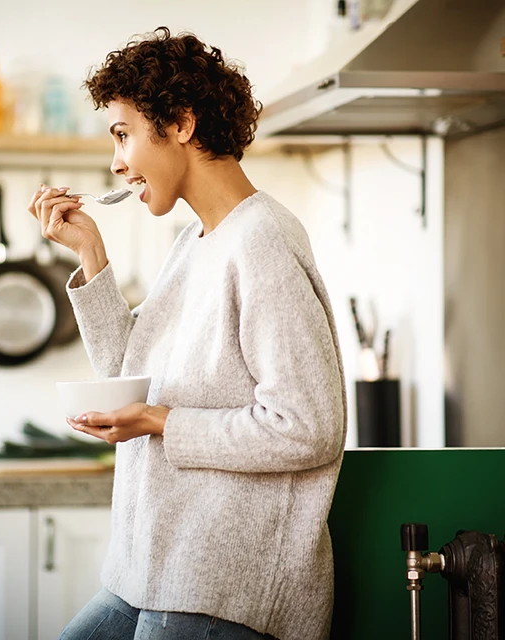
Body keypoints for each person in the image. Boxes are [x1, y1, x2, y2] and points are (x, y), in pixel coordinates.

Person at [29, 26, 347, 640]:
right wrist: (91, 252)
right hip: (150, 568)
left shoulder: (262, 242)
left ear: (179, 124)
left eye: (123, 135)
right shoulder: (195, 242)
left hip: (224, 587)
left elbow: (308, 427)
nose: (116, 163)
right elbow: (131, 368)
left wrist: (158, 421)